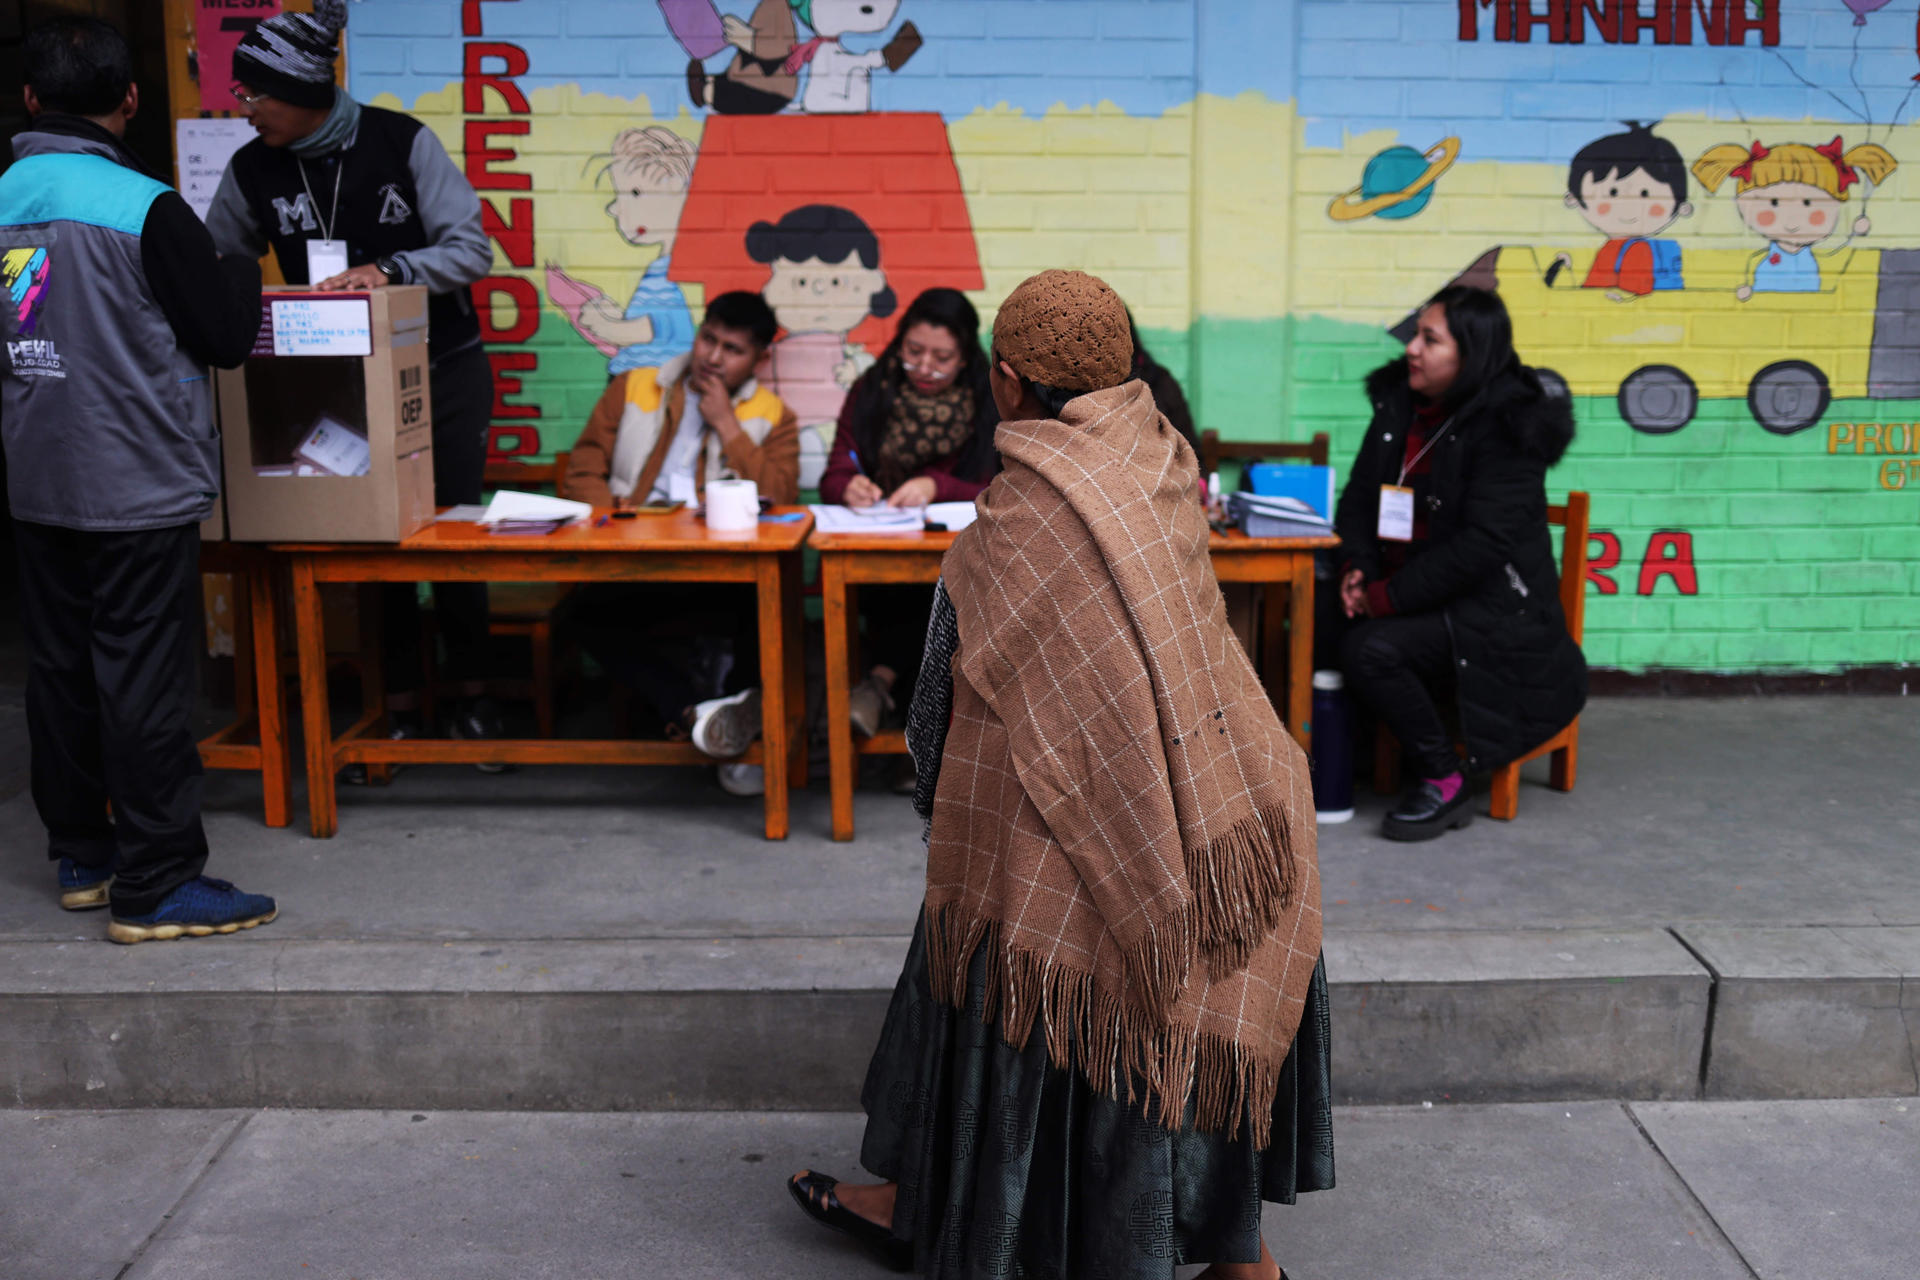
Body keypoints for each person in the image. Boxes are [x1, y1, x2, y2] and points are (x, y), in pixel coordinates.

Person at [788, 270, 1332, 1280]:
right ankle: (1240, 1254)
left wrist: (934, 794)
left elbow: (942, 698)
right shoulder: (1162, 461)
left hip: (1077, 837)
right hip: (1226, 801)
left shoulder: (1021, 512)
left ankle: (937, 1204)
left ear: (1011, 379)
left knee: (1001, 918)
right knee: (1186, 959)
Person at [1, 17, 276, 943]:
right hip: (135, 485)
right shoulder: (147, 208)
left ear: (31, 102)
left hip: (37, 478)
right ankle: (157, 882)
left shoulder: (5, 198)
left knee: (62, 669)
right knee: (145, 681)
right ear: (129, 100)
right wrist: (236, 265)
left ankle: (83, 854)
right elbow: (228, 339)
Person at [205, 0, 503, 759]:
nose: (242, 111)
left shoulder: (402, 142)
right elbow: (219, 268)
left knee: (454, 536)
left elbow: (471, 251)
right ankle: (397, 702)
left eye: (253, 95)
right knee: (376, 541)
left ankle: (474, 697)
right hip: (337, 389)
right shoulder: (251, 170)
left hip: (443, 371)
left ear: (302, 90)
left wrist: (394, 270)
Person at [1332, 284, 1587, 842]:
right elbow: (1358, 499)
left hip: (1495, 610)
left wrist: (1385, 598)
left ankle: (1444, 778)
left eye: (1430, 339)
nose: (1411, 350)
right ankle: (1333, 761)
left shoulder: (1510, 425)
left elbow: (1482, 547)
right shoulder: (1402, 404)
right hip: (1418, 591)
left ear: (1470, 353)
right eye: (1415, 336)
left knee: (1369, 648)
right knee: (1322, 614)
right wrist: (1357, 567)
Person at [562, 291, 798, 797]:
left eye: (732, 349)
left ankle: (745, 737)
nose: (713, 356)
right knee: (582, 615)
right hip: (638, 563)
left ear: (759, 358)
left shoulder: (772, 414)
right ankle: (697, 714)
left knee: (763, 607)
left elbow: (781, 496)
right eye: (708, 338)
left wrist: (728, 426)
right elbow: (582, 469)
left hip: (722, 573)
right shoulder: (635, 387)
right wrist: (615, 523)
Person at [817, 288, 999, 773]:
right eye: (913, 352)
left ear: (965, 359)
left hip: (965, 559)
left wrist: (935, 484)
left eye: (942, 357)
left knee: (941, 600)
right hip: (883, 549)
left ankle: (880, 690)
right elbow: (835, 470)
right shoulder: (873, 390)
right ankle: (914, 745)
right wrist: (847, 486)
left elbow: (1001, 484)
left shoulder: (990, 399)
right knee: (903, 599)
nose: (924, 367)